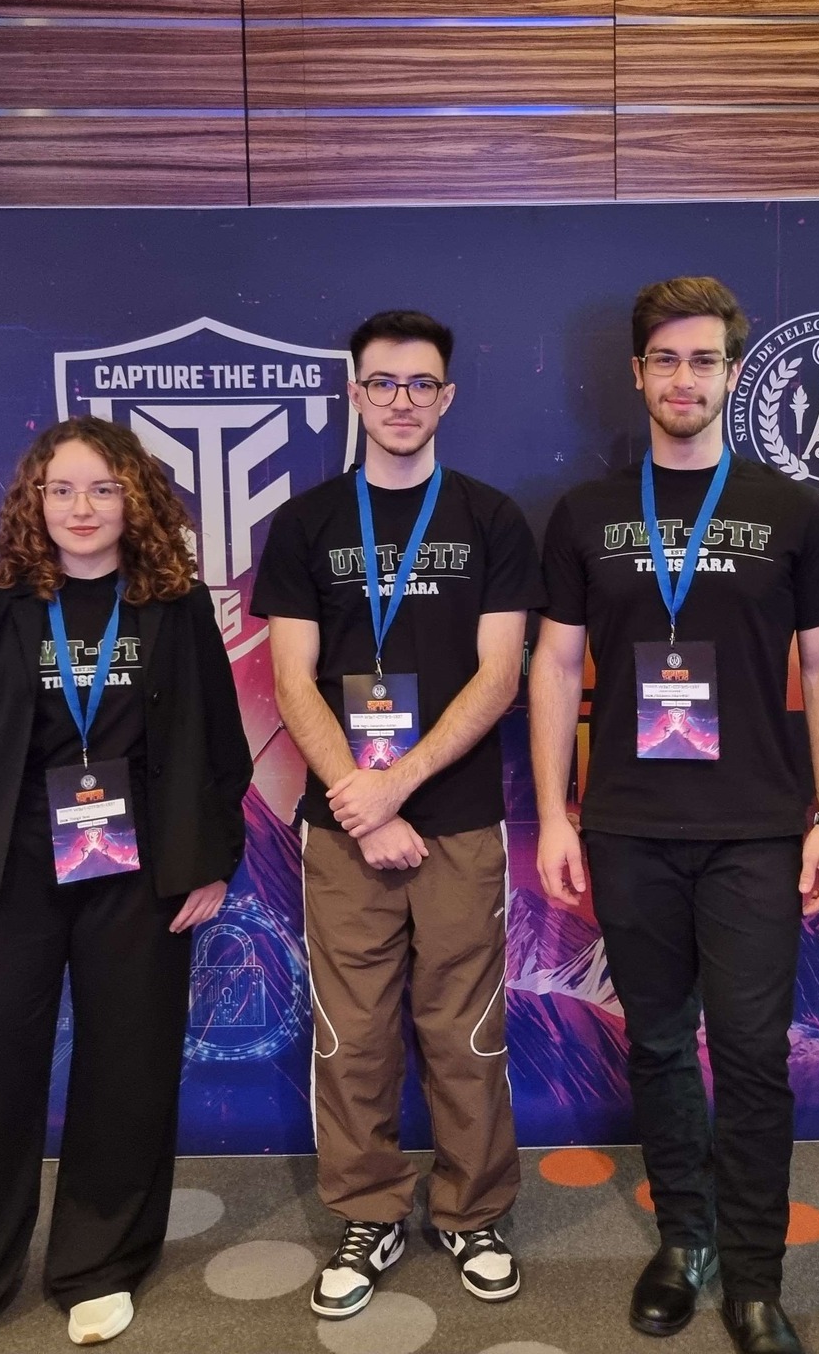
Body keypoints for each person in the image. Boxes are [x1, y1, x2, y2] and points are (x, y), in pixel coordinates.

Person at [528, 277, 819, 1354]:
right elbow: (555, 667)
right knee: (661, 1046)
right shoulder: (584, 514)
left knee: (755, 1056)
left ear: (732, 372)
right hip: (627, 826)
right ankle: (685, 1241)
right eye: (665, 359)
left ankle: (754, 1277)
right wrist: (555, 814)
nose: (684, 378)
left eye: (704, 359)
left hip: (757, 829)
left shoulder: (790, 509)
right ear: (637, 373)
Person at [0, 416, 252, 1353]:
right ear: (35, 502)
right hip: (10, 871)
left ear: (134, 500)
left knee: (127, 1068)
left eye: (102, 489)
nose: (81, 508)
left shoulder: (175, 607)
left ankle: (99, 1266)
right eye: (61, 490)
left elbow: (223, 749)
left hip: (139, 872)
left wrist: (213, 860)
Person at [252, 310, 543, 1319]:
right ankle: (368, 1213)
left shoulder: (491, 519)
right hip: (342, 826)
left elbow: (499, 676)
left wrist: (397, 784)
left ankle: (472, 1215)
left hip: (457, 819)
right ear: (355, 394)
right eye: (382, 383)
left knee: (464, 1032)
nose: (402, 401)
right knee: (353, 1037)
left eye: (422, 384)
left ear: (446, 397)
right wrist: (365, 805)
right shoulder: (305, 524)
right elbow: (292, 682)